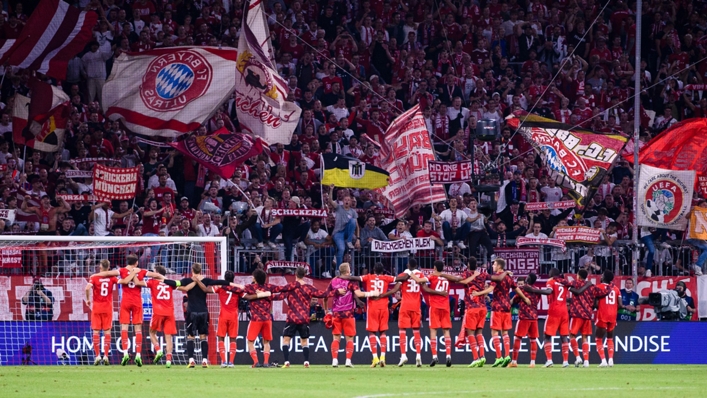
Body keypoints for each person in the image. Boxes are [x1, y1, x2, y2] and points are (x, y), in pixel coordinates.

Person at [92, 254, 162, 367]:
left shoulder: (121, 271)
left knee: (124, 327)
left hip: (125, 301)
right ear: (136, 262)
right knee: (138, 328)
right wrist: (165, 279)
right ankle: (138, 355)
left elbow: (107, 273)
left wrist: (95, 275)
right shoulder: (142, 271)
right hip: (137, 302)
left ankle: (125, 353)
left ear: (127, 262)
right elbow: (156, 275)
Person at [339, 262, 405, 367]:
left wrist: (343, 276)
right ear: (383, 270)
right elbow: (399, 279)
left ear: (373, 269)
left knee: (372, 333)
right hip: (384, 307)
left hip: (372, 307)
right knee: (383, 332)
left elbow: (356, 278)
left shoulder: (368, 277)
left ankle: (375, 358)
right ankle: (383, 357)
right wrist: (406, 276)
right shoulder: (386, 277)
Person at [323, 262, 379, 367]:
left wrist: (326, 310)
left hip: (336, 313)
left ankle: (334, 360)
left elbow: (325, 296)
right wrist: (373, 293)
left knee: (336, 338)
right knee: (350, 338)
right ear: (348, 271)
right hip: (348, 314)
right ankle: (348, 361)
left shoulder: (333, 281)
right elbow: (359, 294)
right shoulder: (351, 281)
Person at [178, 263, 233, 368]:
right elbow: (218, 282)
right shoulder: (206, 281)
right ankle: (204, 360)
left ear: (192, 270)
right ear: (201, 270)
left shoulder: (187, 281)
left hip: (191, 312)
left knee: (190, 337)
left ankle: (191, 360)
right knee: (203, 337)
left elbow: (176, 284)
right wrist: (231, 283)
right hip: (203, 312)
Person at [440, 257, 487, 367]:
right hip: (483, 308)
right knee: (479, 333)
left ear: (468, 265)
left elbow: (457, 279)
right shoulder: (482, 274)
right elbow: (495, 278)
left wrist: (442, 274)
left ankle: (476, 358)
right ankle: (483, 356)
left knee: (470, 333)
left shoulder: (467, 274)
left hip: (472, 308)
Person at [191, 269, 244, 368]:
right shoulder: (237, 289)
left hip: (223, 315)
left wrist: (198, 281)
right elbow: (246, 296)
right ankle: (231, 362)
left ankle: (224, 361)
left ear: (224, 278)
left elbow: (206, 290)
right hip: (234, 316)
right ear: (233, 279)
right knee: (233, 339)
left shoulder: (220, 287)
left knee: (221, 338)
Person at [243, 269, 295, 367]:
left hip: (256, 319)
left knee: (250, 341)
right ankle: (266, 362)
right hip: (267, 319)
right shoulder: (269, 287)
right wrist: (293, 287)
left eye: (253, 276)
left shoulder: (250, 288)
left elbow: (243, 293)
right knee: (266, 341)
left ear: (255, 278)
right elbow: (281, 289)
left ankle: (256, 362)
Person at [147, 264, 195, 368]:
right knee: (168, 337)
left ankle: (158, 350)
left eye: (154, 272)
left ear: (158, 273)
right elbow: (184, 288)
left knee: (151, 332)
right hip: (169, 313)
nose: (152, 274)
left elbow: (138, 283)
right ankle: (168, 360)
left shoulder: (152, 282)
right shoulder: (170, 283)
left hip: (158, 312)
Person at [278, 266, 328, 368]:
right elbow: (323, 294)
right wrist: (335, 291)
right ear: (305, 275)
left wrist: (265, 295)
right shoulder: (309, 288)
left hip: (292, 317)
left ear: (295, 274)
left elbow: (280, 296)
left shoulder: (290, 287)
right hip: (304, 318)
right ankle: (306, 362)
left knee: (286, 340)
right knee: (304, 341)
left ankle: (287, 362)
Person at [570, 270, 621, 367]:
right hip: (612, 316)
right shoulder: (616, 289)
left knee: (598, 338)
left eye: (602, 275)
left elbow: (594, 302)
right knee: (609, 338)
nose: (600, 276)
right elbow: (620, 304)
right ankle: (610, 360)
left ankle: (602, 361)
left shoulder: (596, 287)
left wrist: (593, 306)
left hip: (598, 315)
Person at [383, 258, 427, 367]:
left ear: (408, 265)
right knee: (416, 331)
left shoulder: (403, 274)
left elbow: (395, 289)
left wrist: (382, 295)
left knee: (402, 330)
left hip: (405, 306)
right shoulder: (421, 275)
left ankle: (403, 355)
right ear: (416, 265)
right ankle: (418, 356)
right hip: (416, 306)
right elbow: (425, 288)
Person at [488, 257, 531, 367]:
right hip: (507, 307)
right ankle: (507, 355)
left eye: (494, 264)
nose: (493, 266)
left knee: (495, 332)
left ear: (499, 267)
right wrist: (525, 298)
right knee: (505, 333)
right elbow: (517, 289)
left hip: (497, 307)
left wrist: (480, 293)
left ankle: (498, 357)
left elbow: (490, 290)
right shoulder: (508, 278)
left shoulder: (496, 277)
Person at [525, 268, 571, 368]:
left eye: (549, 273)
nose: (548, 274)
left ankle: (549, 360)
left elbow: (549, 291)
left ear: (552, 274)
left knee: (547, 336)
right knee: (564, 336)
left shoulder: (551, 281)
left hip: (554, 311)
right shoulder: (564, 282)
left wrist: (533, 290)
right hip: (564, 311)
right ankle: (565, 362)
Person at [84, 260, 121, 365]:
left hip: (97, 308)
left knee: (96, 332)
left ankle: (97, 356)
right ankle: (105, 356)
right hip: (108, 308)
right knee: (107, 332)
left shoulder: (94, 277)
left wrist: (87, 299)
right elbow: (121, 282)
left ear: (100, 266)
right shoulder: (112, 278)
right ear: (108, 267)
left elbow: (87, 288)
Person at [423, 261, 454, 367]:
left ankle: (435, 356)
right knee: (446, 331)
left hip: (435, 306)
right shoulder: (446, 278)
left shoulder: (432, 277)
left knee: (433, 331)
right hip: (445, 307)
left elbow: (426, 288)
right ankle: (448, 356)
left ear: (434, 267)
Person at [509, 273, 542, 368]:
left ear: (528, 279)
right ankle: (532, 363)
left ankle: (514, 362)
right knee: (533, 339)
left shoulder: (523, 289)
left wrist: (510, 302)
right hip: (534, 317)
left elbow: (515, 300)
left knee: (517, 338)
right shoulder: (537, 290)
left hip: (524, 317)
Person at [568, 269, 596, 368]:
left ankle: (578, 357)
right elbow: (595, 300)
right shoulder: (591, 286)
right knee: (584, 337)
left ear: (578, 275)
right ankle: (586, 361)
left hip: (577, 313)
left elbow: (576, 292)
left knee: (572, 335)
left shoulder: (574, 283)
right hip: (588, 314)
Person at [328, 185, 359, 267]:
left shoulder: (353, 212)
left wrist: (358, 239)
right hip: (338, 233)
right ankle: (338, 269)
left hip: (347, 232)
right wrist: (331, 190)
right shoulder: (338, 207)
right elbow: (330, 200)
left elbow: (357, 226)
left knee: (352, 221)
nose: (347, 201)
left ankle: (349, 241)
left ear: (351, 202)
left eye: (348, 200)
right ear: (343, 201)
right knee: (341, 249)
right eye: (345, 200)